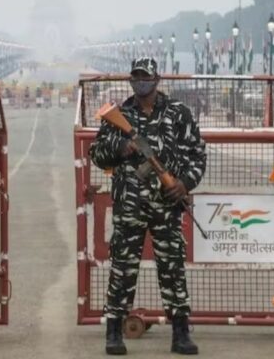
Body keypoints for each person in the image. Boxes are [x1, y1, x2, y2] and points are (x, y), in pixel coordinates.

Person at [89, 57, 206, 355]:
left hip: (167, 205)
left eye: (145, 76)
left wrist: (184, 184)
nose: (140, 81)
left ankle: (180, 333)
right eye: (136, 76)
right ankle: (114, 332)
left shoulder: (178, 113)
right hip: (130, 205)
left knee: (172, 268)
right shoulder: (119, 115)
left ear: (157, 79)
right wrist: (122, 147)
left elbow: (197, 155)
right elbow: (98, 155)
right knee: (123, 269)